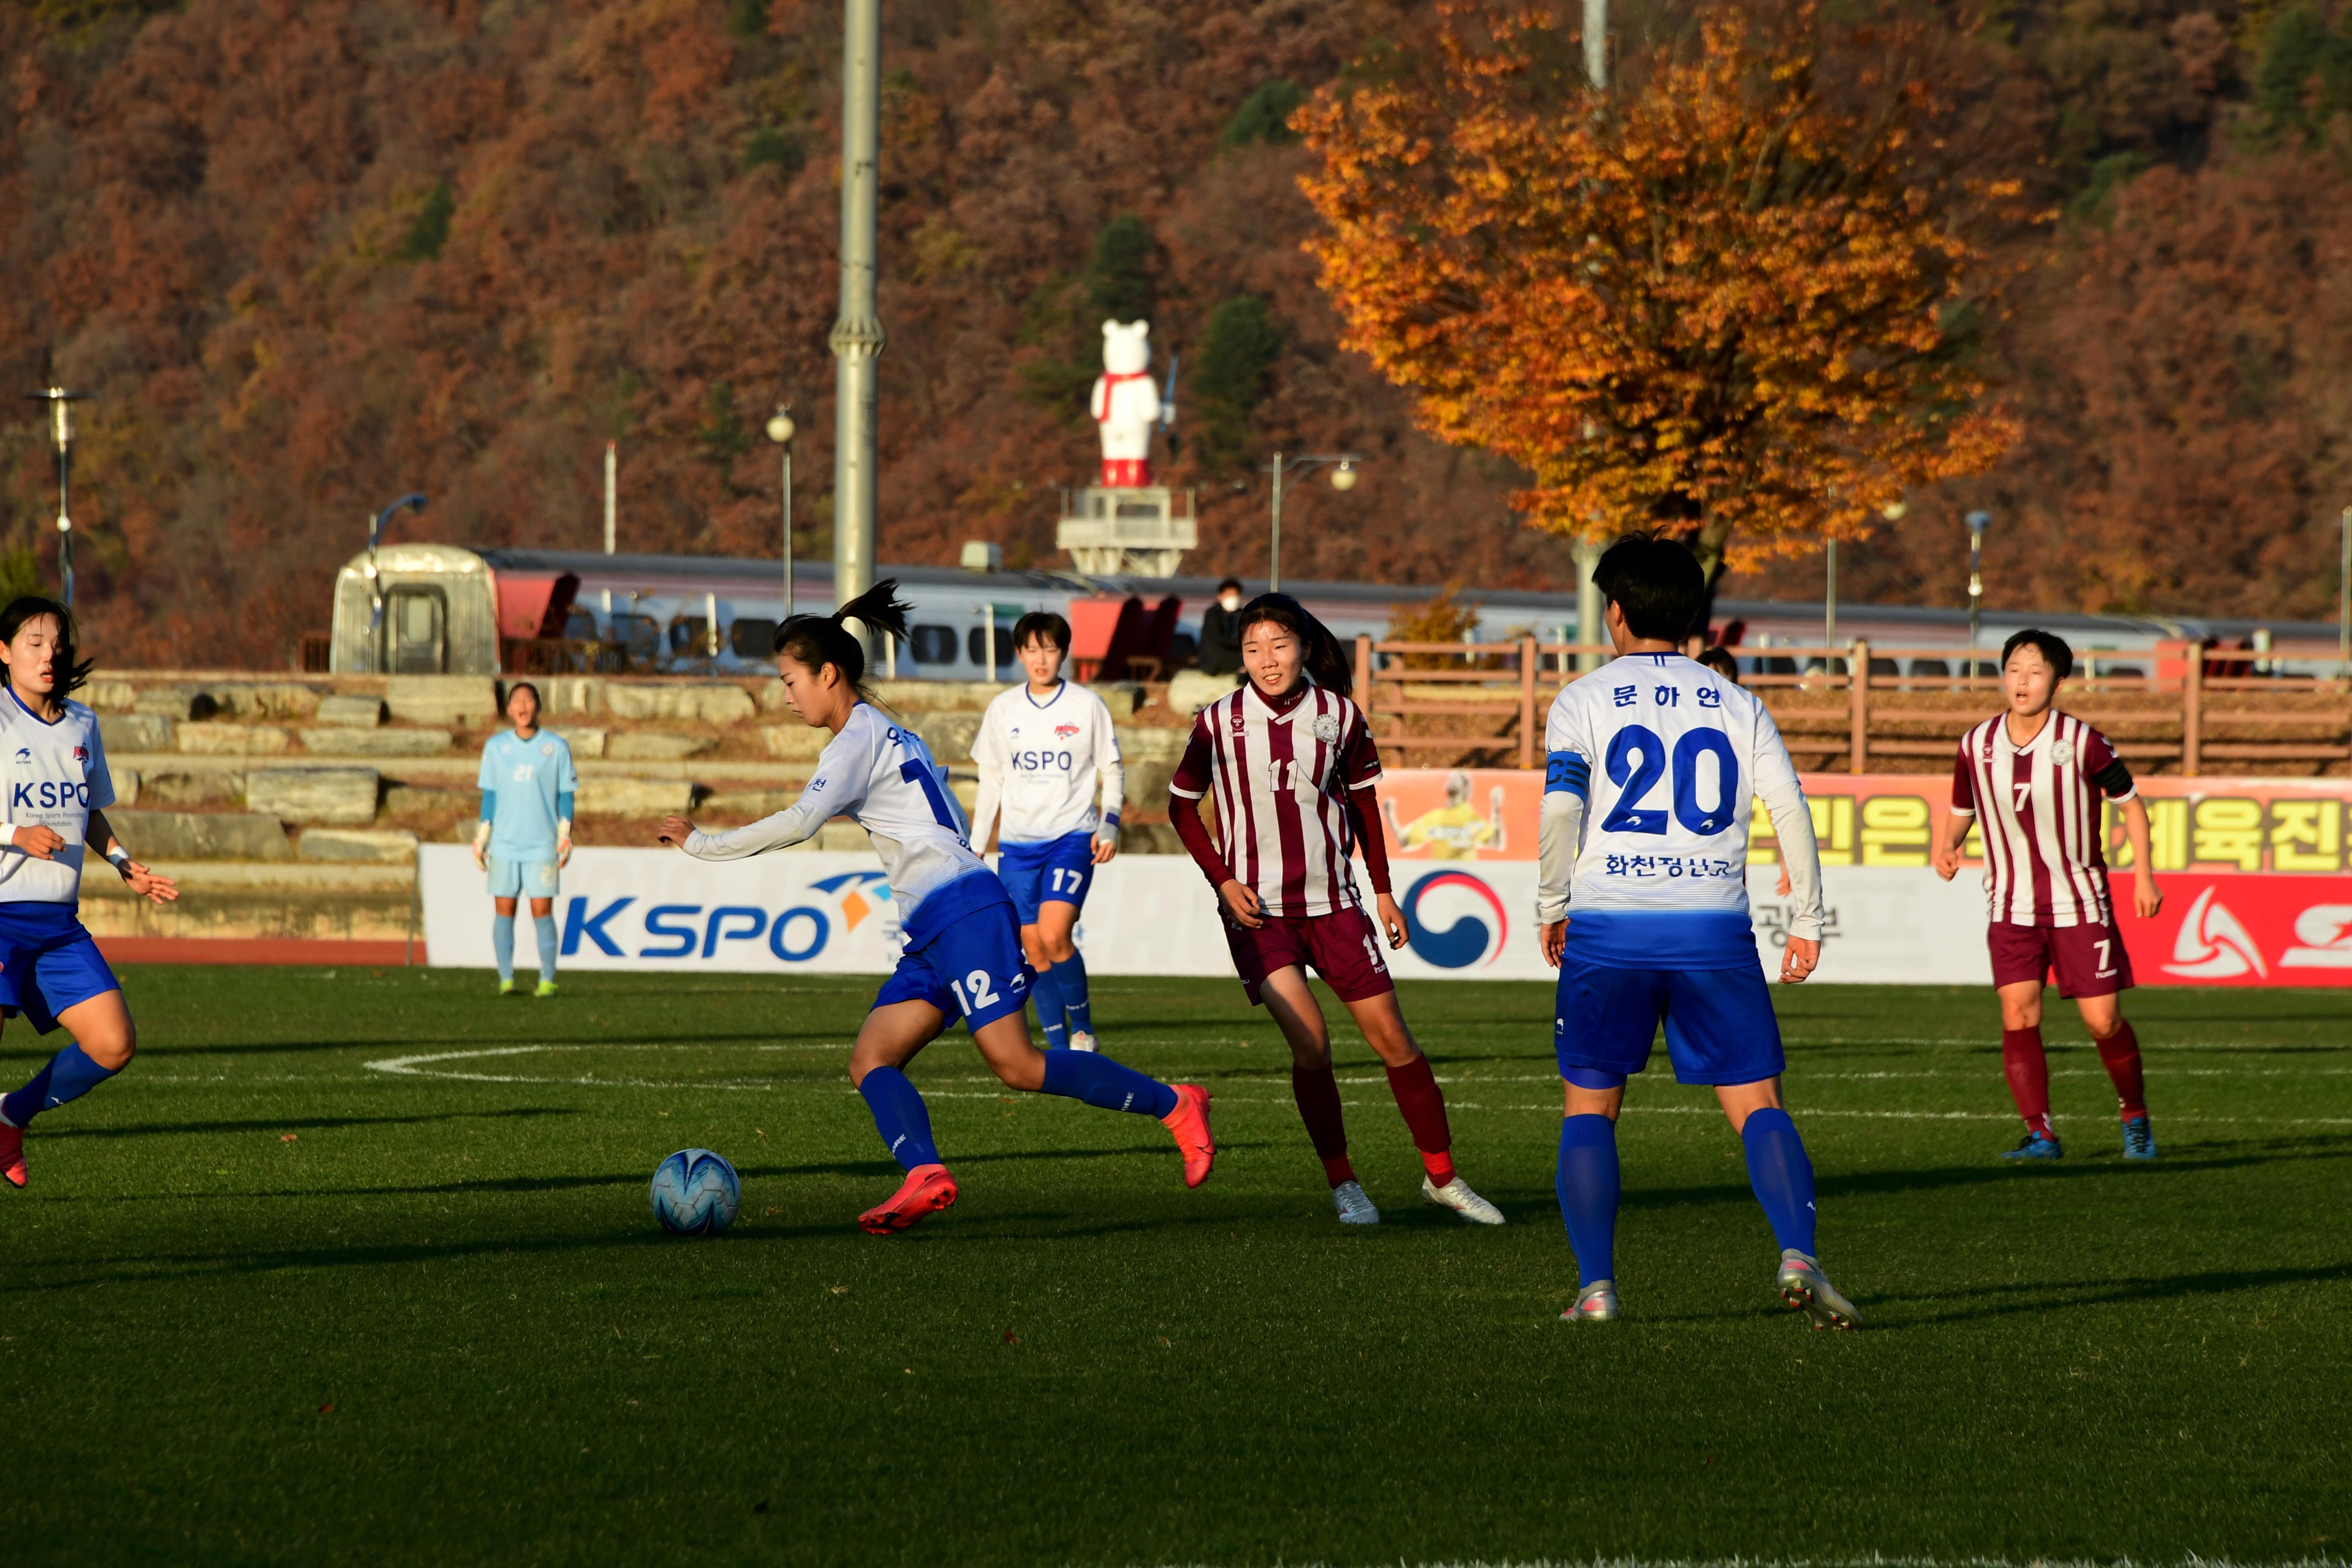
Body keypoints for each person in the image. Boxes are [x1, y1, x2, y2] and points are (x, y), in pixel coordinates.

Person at [659, 581, 1214, 1235]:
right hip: (935, 923)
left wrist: (702, 843)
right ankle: (923, 1174)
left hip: (963, 911)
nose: (786, 696)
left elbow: (803, 820)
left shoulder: (852, 742)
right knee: (871, 1057)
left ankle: (1175, 1104)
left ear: (827, 673)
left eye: (789, 680)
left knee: (1018, 1066)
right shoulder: (888, 730)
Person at [1539, 534, 1861, 1328]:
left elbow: (1560, 810)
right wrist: (1807, 919)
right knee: (1756, 1101)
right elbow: (1788, 808)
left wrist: (1552, 903)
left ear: (1613, 613)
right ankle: (1797, 1251)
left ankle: (1596, 1288)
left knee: (1589, 1107)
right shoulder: (1738, 701)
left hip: (1608, 927)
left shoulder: (1581, 699)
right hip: (1712, 927)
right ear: (1692, 615)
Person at [1168, 592, 1504, 1228]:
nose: (1267, 660)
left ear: (1301, 646)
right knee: (1313, 1043)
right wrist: (1221, 881)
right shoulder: (1218, 720)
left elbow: (1366, 808)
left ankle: (1443, 1178)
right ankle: (1344, 1184)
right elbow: (1182, 804)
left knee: (1394, 1041)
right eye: (1253, 649)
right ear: (1241, 656)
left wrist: (1383, 891)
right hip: (1258, 912)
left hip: (1336, 904)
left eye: (1279, 645)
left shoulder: (1339, 716)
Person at [1931, 629, 2163, 1162]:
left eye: (2035, 672)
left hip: (2080, 902)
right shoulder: (1975, 744)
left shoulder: (2083, 741)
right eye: (2014, 669)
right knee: (2018, 1015)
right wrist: (1948, 845)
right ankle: (2041, 1134)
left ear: (2057, 681)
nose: (2022, 681)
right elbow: (1963, 808)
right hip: (2010, 905)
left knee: (2103, 1021)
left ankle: (2136, 1118)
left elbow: (2130, 805)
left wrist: (2144, 876)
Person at [0, 596, 179, 1189]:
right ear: (3, 652)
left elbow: (90, 814)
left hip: (57, 925)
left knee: (114, 1043)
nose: (48, 655)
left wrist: (126, 865)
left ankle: (11, 1118)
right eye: (33, 643)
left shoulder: (82, 724)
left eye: (56, 644)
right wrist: (15, 834)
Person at [969, 612, 1122, 1052]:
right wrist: (977, 845)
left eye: (1050, 649)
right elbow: (992, 780)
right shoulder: (1003, 709)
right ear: (1019, 654)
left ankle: (1084, 1031)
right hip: (1017, 847)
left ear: (1064, 652)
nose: (1041, 659)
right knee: (1033, 948)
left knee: (1056, 935)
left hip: (1072, 838)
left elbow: (1111, 770)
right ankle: (1057, 1050)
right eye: (1032, 649)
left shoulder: (1087, 705)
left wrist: (1109, 824)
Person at [473, 681, 576, 997]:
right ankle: (506, 979)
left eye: (529, 700)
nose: (523, 706)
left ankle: (547, 978)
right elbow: (490, 794)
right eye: (517, 700)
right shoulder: (496, 747)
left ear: (538, 706)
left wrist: (565, 834)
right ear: (509, 709)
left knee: (542, 911)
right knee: (504, 911)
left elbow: (566, 794)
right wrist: (483, 836)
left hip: (542, 844)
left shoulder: (556, 747)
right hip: (505, 844)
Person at [1381, 769, 1506, 861]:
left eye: (1460, 777)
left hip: (1465, 880)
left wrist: (1496, 808)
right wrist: (1390, 815)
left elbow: (1496, 842)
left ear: (1466, 788)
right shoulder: (1435, 817)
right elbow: (1404, 841)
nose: (1454, 777)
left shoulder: (1470, 817)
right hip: (1439, 879)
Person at [1195, 577, 1246, 677]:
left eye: (1236, 595)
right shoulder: (1213, 614)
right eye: (1229, 595)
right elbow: (1217, 638)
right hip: (1214, 659)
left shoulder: (1241, 614)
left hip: (1232, 654)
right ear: (1220, 597)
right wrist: (1241, 643)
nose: (1233, 598)